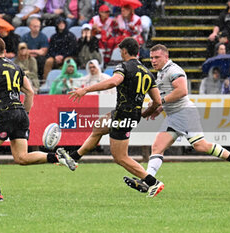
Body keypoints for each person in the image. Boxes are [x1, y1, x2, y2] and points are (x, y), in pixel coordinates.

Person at [0, 38, 76, 201]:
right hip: (20, 113)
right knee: (21, 157)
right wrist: (24, 113)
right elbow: (30, 92)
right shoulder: (17, 68)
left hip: (5, 112)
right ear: (5, 51)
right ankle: (57, 157)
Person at [135, 44, 230, 198]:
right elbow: (169, 96)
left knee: (200, 146)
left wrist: (160, 102)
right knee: (157, 147)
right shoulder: (161, 72)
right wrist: (159, 109)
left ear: (166, 57)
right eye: (152, 58)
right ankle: (148, 181)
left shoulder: (173, 70)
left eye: (157, 57)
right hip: (173, 116)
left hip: (185, 113)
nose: (153, 61)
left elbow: (182, 91)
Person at [69, 37, 164, 197]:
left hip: (123, 114)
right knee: (99, 127)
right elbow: (157, 101)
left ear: (125, 51)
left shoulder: (124, 67)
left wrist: (86, 90)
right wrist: (145, 113)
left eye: (121, 51)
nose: (120, 54)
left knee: (120, 157)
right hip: (128, 113)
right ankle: (74, 158)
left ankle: (152, 182)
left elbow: (114, 82)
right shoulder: (148, 73)